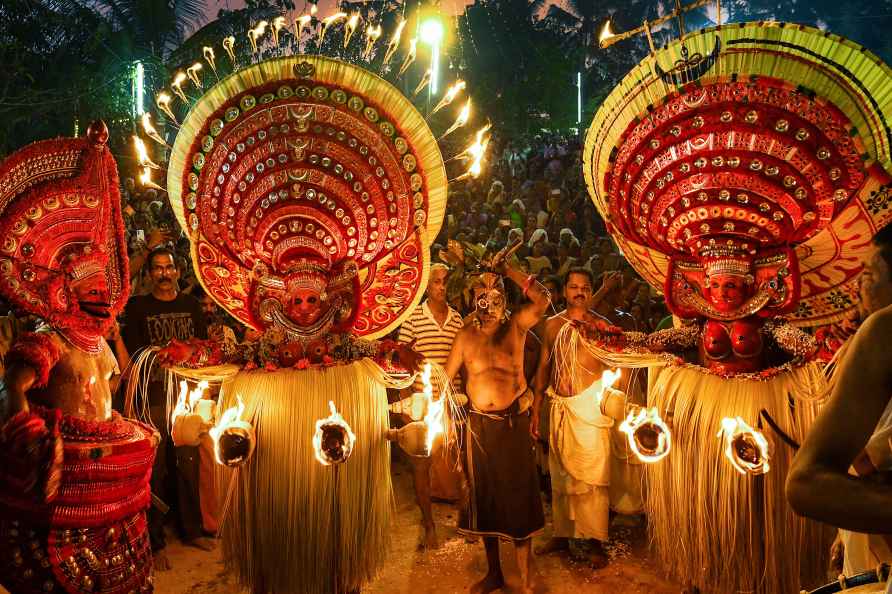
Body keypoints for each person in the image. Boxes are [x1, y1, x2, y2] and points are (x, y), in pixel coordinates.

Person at [0, 123, 157, 593]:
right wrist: (29, 439)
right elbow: (13, 386)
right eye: (91, 290)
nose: (103, 299)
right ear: (66, 292)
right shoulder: (51, 339)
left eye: (105, 290)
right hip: (64, 476)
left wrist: (128, 432)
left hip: (104, 472)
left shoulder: (99, 344)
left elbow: (109, 391)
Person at [444, 245, 551, 594]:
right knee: (485, 502)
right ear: (473, 297)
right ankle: (495, 574)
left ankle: (525, 576)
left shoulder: (517, 326)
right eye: (480, 293)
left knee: (519, 500)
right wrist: (435, 403)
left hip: (513, 424)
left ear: (503, 298)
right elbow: (445, 379)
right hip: (479, 428)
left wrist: (510, 270)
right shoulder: (465, 335)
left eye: (493, 293)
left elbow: (544, 300)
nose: (486, 301)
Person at [787, 224, 892, 576]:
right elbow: (809, 483)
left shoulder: (880, 335)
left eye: (870, 275)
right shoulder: (880, 336)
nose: (859, 286)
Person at [122, 246, 211, 566]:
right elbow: (132, 355)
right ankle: (155, 542)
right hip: (154, 397)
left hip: (187, 395)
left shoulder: (190, 305)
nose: (163, 273)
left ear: (177, 271)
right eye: (157, 268)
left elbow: (203, 345)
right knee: (156, 468)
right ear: (148, 274)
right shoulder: (137, 308)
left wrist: (189, 353)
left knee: (188, 462)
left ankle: (193, 530)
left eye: (168, 267)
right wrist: (158, 355)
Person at [531, 268, 616, 567]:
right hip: (560, 407)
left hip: (589, 410)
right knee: (560, 476)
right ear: (565, 291)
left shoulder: (601, 327)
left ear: (591, 291)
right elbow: (543, 367)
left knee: (593, 481)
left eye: (585, 287)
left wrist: (612, 402)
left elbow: (616, 368)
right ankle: (563, 534)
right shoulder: (552, 325)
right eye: (573, 287)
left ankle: (594, 542)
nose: (579, 292)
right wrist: (537, 406)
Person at [395, 263, 464, 549]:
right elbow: (400, 358)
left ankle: (465, 520)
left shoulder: (458, 320)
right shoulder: (412, 318)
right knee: (421, 466)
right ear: (426, 286)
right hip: (423, 407)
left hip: (452, 403)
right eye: (436, 282)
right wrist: (412, 400)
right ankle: (429, 525)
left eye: (446, 281)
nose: (442, 286)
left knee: (461, 466)